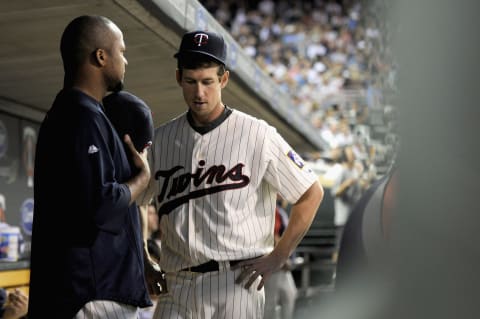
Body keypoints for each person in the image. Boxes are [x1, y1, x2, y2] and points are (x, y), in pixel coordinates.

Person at [139, 30, 324, 319]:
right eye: (191, 82)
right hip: (177, 284)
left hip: (236, 281)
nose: (199, 92)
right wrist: (144, 258)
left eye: (207, 82)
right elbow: (132, 200)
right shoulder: (160, 139)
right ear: (179, 78)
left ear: (223, 79)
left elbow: (311, 192)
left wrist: (279, 255)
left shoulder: (258, 133)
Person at [28, 15, 154, 319]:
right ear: (101, 56)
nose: (125, 61)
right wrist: (142, 178)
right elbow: (102, 204)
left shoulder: (79, 113)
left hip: (91, 292)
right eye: (121, 51)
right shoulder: (81, 115)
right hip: (92, 295)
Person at [263, 197, 299, 319]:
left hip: (282, 264)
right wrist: (282, 257)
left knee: (289, 295)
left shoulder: (280, 211)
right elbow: (273, 236)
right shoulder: (272, 210)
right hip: (274, 263)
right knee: (270, 303)